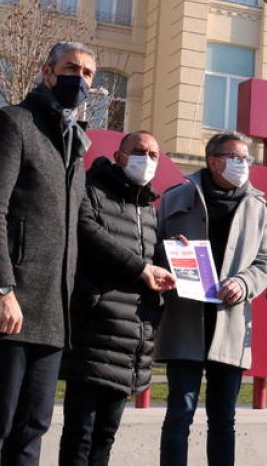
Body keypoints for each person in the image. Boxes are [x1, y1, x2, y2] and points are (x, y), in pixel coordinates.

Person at [0, 41, 96, 466]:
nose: (81, 79)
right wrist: (2, 288)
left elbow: (80, 229)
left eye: (89, 73)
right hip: (10, 306)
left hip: (52, 317)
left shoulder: (75, 143)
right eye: (72, 68)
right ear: (47, 71)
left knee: (32, 430)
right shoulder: (11, 123)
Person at [154, 130, 267, 466]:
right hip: (185, 323)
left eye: (246, 158)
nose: (243, 164)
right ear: (213, 160)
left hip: (231, 326)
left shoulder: (258, 204)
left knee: (223, 420)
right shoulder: (176, 196)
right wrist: (170, 257)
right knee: (179, 414)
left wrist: (243, 282)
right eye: (235, 157)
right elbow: (151, 251)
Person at [58, 130, 178, 466]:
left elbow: (151, 264)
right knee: (80, 432)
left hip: (131, 341)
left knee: (106, 435)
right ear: (120, 156)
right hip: (94, 332)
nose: (147, 159)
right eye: (139, 151)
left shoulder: (149, 210)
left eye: (154, 154)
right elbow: (86, 232)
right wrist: (141, 268)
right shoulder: (91, 190)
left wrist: (175, 257)